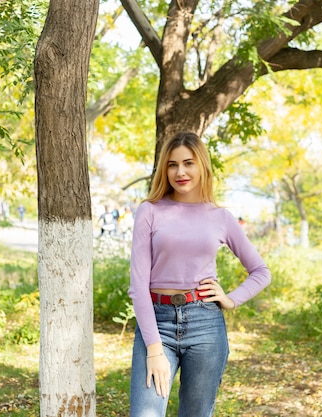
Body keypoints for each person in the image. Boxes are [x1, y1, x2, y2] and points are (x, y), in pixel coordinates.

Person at [128, 131, 271, 417]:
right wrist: (154, 349)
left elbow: (261, 271)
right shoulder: (150, 211)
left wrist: (230, 299)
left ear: (202, 166)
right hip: (157, 323)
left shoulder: (220, 217)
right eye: (172, 164)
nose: (180, 171)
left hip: (205, 324)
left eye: (188, 163)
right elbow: (138, 287)